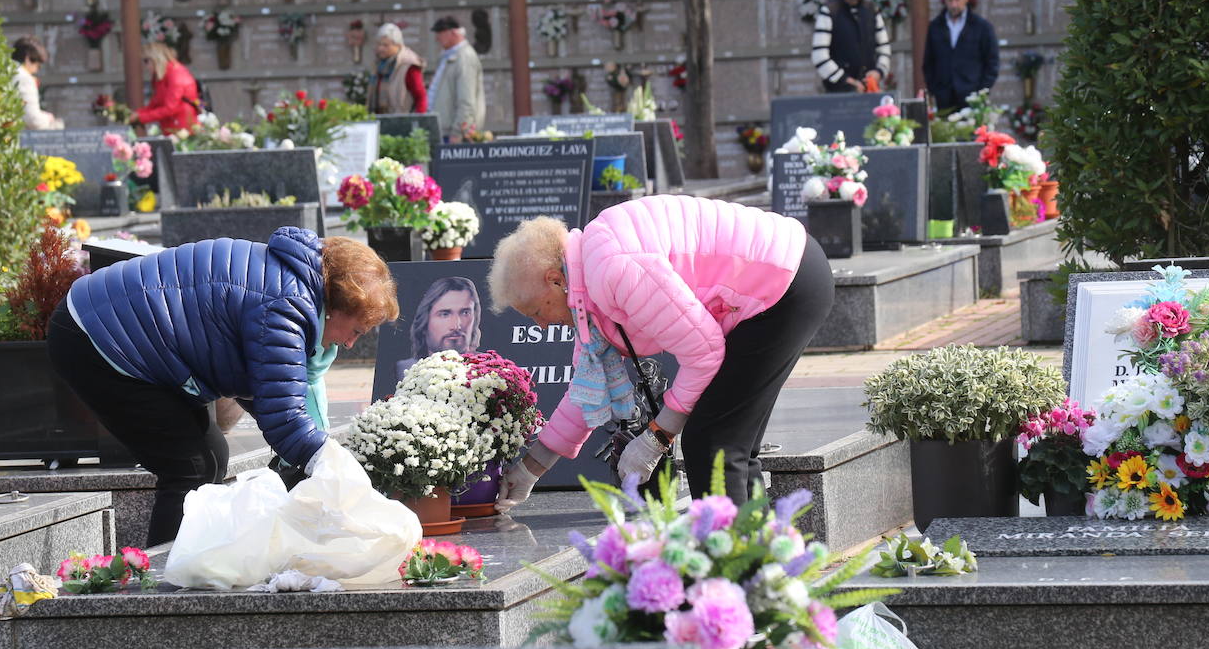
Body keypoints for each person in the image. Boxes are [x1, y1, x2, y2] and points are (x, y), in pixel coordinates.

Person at [47, 228, 399, 546]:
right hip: (99, 337)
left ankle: (184, 571)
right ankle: (162, 592)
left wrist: (311, 455)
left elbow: (267, 391)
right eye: (356, 331)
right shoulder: (285, 305)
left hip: (113, 325)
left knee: (211, 454)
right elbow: (284, 418)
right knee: (189, 465)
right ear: (336, 307)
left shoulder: (293, 282)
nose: (351, 344)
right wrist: (335, 463)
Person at [486, 196, 833, 511]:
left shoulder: (611, 269)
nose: (542, 325)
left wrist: (656, 436)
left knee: (711, 443)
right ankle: (758, 563)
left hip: (783, 284)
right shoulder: (584, 280)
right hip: (783, 278)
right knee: (728, 447)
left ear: (552, 280)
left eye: (534, 311)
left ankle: (733, 572)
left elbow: (704, 353)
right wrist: (530, 468)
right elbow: (587, 389)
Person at [810, 0, 892, 93]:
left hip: (869, 90)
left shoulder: (872, 10)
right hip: (839, 92)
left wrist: (878, 72)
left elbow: (884, 49)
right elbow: (819, 55)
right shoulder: (829, 11)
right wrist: (846, 80)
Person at [922, 0, 1000, 111]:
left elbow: (992, 62)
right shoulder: (935, 27)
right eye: (950, 0)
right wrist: (935, 89)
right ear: (944, 0)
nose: (954, 5)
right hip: (944, 99)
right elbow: (928, 62)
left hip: (972, 98)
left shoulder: (981, 27)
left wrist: (981, 92)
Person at [394, 276, 482, 382]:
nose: (456, 326)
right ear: (425, 320)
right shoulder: (405, 370)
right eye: (445, 314)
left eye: (465, 313)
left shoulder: (492, 370)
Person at [426, 16, 485, 143]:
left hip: (452, 133)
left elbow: (466, 100)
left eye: (440, 33)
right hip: (443, 130)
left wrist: (458, 132)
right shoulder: (449, 56)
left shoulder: (465, 58)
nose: (437, 38)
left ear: (453, 32)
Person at [133, 41, 200, 133]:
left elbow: (170, 108)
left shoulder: (176, 74)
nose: (145, 66)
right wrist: (138, 114)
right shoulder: (161, 76)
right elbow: (155, 104)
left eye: (146, 61)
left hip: (183, 128)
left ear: (156, 58)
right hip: (170, 127)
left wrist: (140, 117)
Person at [367, 23, 428, 115]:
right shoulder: (378, 64)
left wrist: (419, 122)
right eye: (379, 44)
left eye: (385, 45)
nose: (381, 48)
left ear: (398, 45)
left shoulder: (409, 65)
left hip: (402, 120)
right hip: (380, 118)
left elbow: (420, 96)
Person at [10, 36, 64, 130]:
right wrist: (48, 118)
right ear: (27, 58)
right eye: (38, 66)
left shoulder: (5, 72)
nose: (36, 71)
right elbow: (33, 120)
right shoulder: (24, 78)